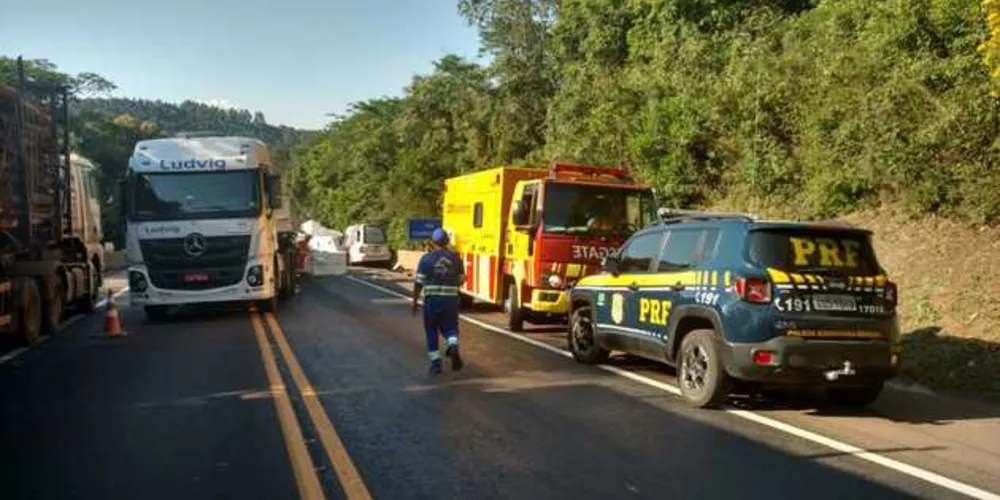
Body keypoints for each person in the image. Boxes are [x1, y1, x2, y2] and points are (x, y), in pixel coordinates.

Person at [412, 228, 465, 374]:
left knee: (431, 331)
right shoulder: (456, 259)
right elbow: (461, 280)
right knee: (450, 328)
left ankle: (436, 364)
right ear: (447, 241)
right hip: (450, 302)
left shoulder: (426, 259)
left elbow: (419, 282)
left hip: (432, 302)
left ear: (432, 242)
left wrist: (415, 301)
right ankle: (453, 346)